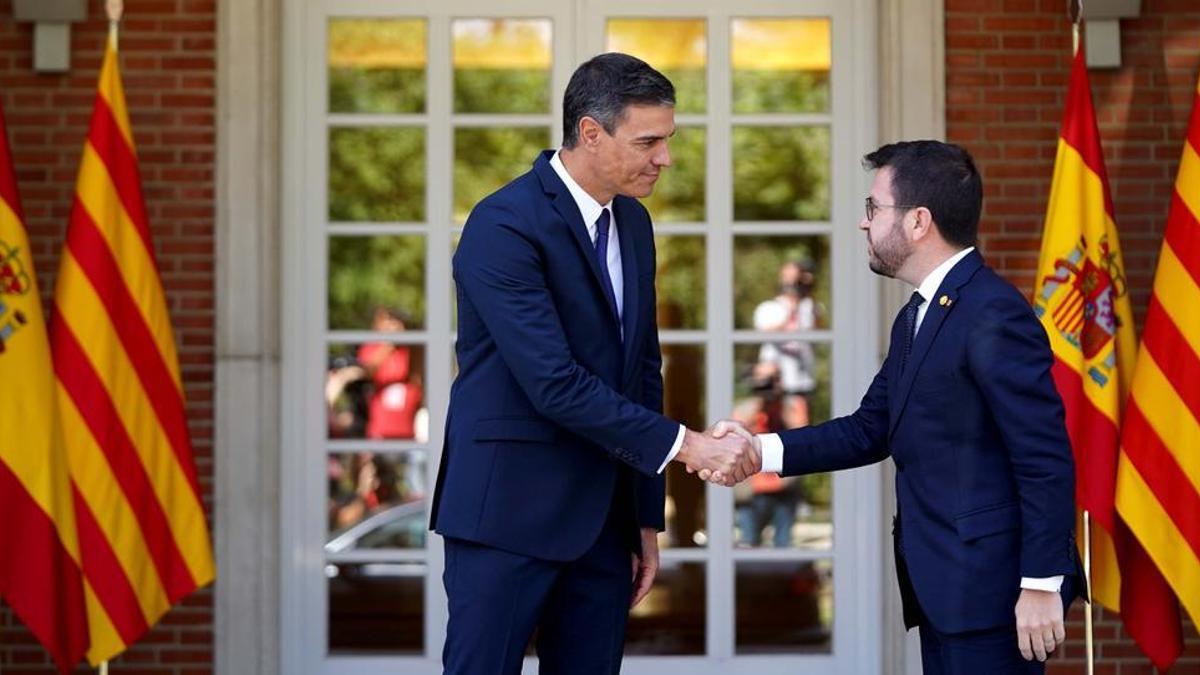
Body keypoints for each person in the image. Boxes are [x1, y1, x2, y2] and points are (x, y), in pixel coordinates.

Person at [429, 53, 757, 674]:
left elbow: (642, 372)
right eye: (649, 141)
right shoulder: (502, 224)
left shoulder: (634, 223)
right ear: (589, 133)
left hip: (604, 528)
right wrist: (688, 447)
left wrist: (643, 516)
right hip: (507, 517)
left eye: (669, 140)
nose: (665, 158)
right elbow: (553, 382)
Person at [711, 141, 1083, 674]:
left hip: (995, 596)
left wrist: (1042, 583)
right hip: (945, 590)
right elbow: (870, 429)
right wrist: (757, 449)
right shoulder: (918, 314)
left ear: (918, 222)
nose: (864, 224)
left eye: (873, 208)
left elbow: (1044, 456)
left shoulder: (993, 313)